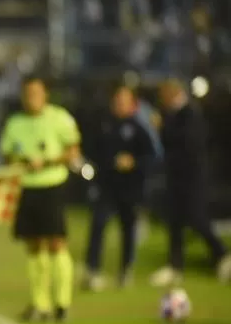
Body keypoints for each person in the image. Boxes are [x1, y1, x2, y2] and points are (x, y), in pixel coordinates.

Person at [0, 76, 81, 322]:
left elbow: (73, 150)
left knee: (57, 243)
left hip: (52, 185)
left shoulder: (60, 117)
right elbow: (7, 154)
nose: (31, 98)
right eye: (27, 93)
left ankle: (63, 303)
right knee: (33, 245)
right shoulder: (15, 122)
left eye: (36, 92)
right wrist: (24, 161)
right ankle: (40, 304)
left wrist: (46, 161)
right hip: (27, 187)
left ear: (45, 93)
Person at [149, 79, 231, 286]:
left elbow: (188, 142)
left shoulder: (190, 113)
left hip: (192, 177)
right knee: (174, 220)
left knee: (196, 217)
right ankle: (174, 265)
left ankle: (222, 255)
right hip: (176, 176)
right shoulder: (173, 113)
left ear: (172, 92)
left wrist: (162, 127)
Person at [83, 84, 158, 290]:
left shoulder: (139, 127)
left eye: (124, 101)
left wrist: (133, 162)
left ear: (132, 103)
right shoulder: (103, 124)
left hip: (129, 188)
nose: (119, 104)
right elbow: (92, 151)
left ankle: (125, 270)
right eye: (117, 100)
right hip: (107, 186)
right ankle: (92, 270)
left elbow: (152, 157)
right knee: (98, 225)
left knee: (128, 230)